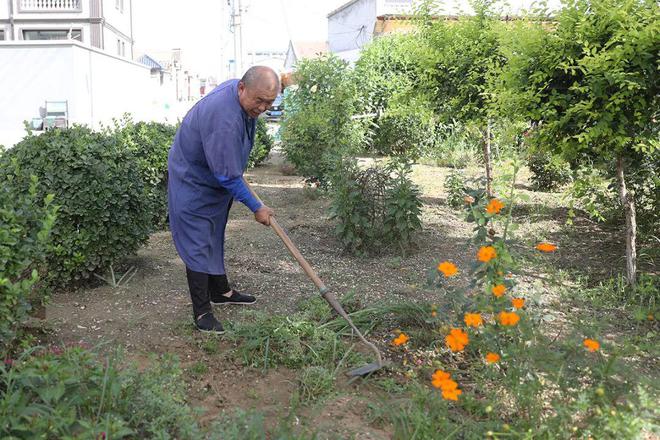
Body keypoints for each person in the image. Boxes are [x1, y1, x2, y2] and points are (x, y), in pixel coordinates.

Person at [168, 66, 279, 334]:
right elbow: (227, 176)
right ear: (242, 88)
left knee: (214, 233)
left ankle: (220, 291)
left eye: (269, 102)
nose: (263, 108)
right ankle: (202, 311)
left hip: (213, 177)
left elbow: (227, 171)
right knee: (197, 240)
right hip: (193, 179)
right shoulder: (224, 118)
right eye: (259, 100)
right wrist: (257, 208)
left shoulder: (240, 93)